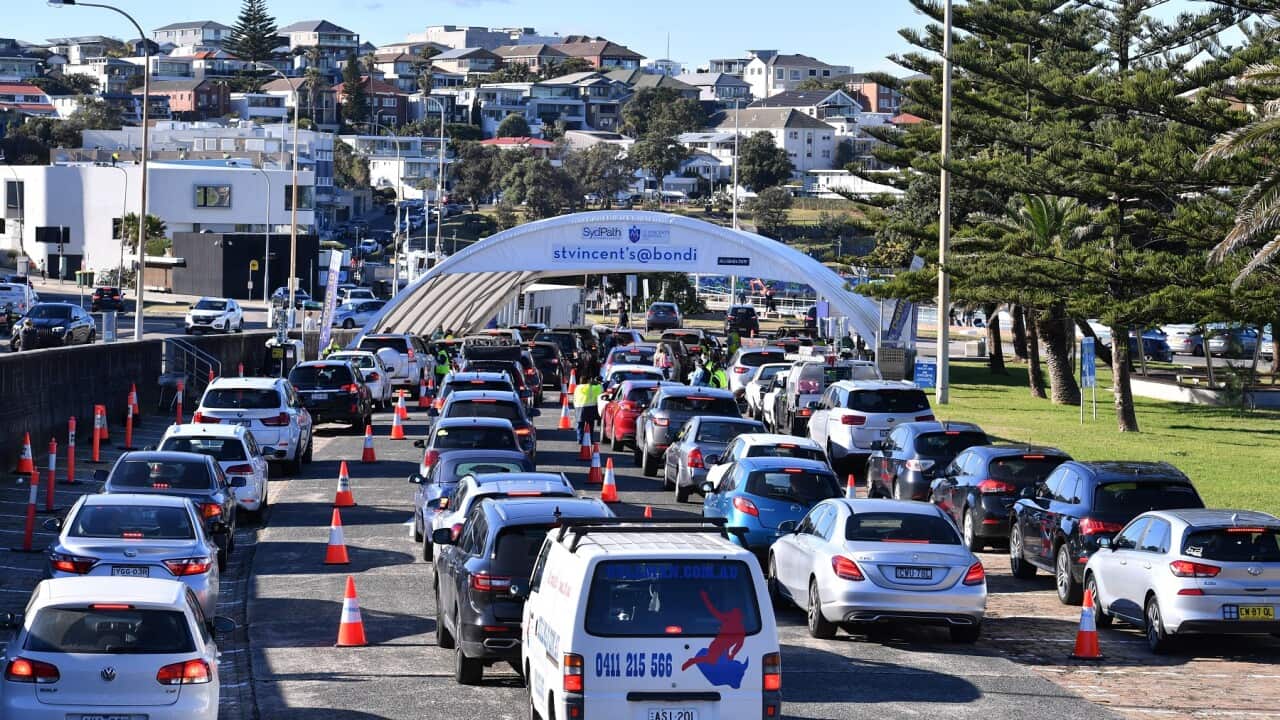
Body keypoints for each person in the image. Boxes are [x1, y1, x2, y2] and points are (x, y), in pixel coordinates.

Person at [573, 375, 603, 443]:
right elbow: (601, 390)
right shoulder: (591, 387)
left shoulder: (577, 387)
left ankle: (580, 439)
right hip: (590, 407)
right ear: (588, 380)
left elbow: (574, 397)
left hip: (578, 407)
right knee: (590, 425)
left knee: (580, 424)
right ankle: (590, 439)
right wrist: (598, 383)